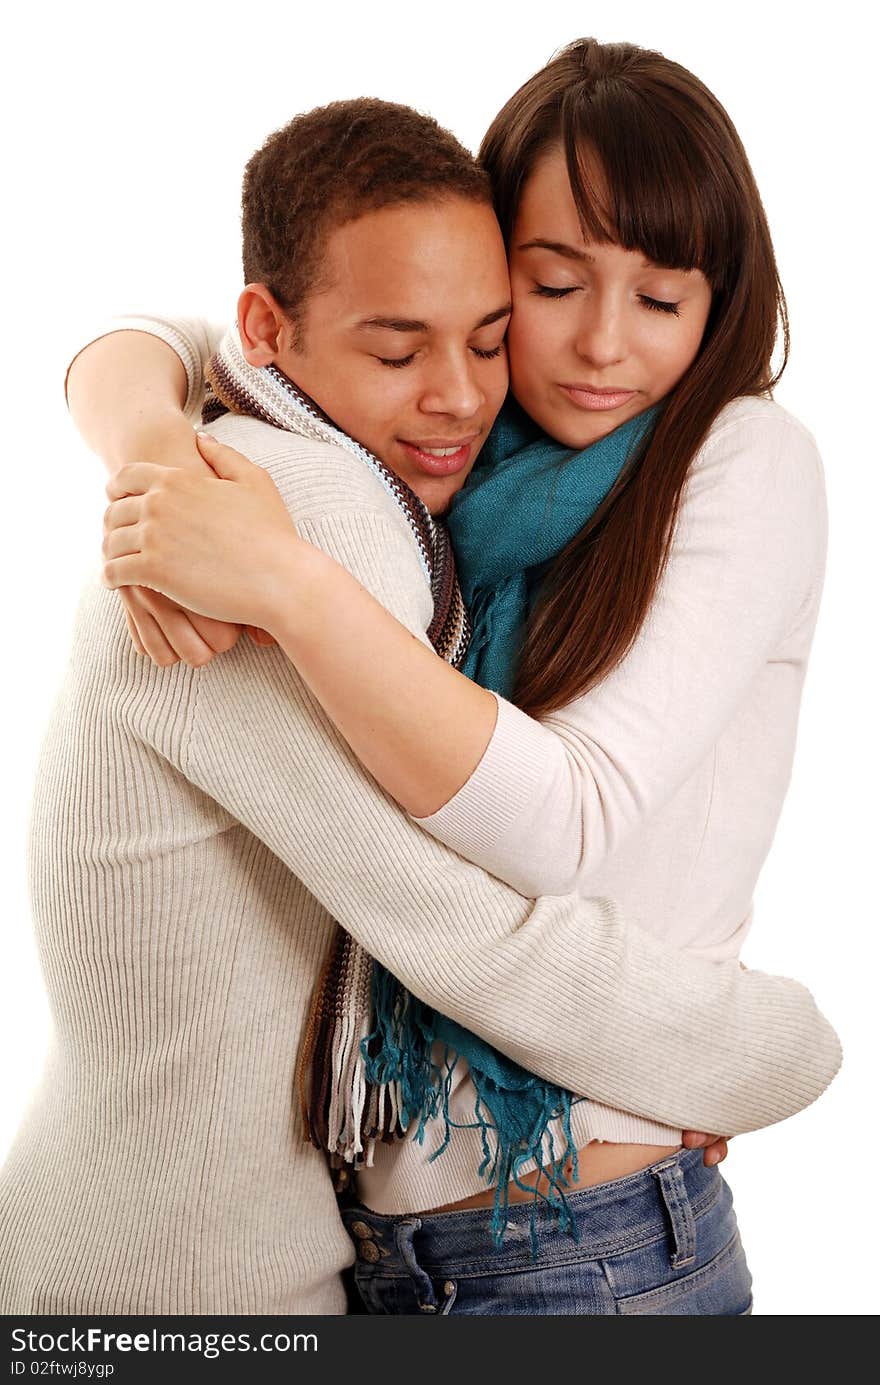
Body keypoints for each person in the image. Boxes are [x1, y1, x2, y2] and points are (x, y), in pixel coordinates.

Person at [88, 40, 836, 1315]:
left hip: (590, 1240)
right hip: (373, 1245)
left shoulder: (739, 459)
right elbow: (169, 335)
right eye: (551, 287)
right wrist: (153, 449)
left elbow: (563, 819)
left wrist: (283, 579)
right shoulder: (442, 450)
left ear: (721, 304)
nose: (603, 345)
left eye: (661, 301)